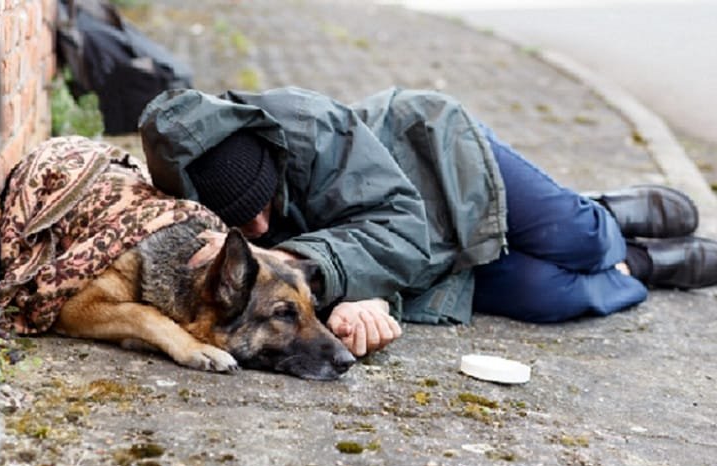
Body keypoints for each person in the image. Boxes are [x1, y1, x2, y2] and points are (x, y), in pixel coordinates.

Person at [138, 86, 717, 357]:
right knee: (552, 296)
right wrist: (356, 303)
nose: (260, 229)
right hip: (409, 260)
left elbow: (399, 223)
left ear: (269, 156)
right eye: (244, 221)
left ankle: (606, 216)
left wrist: (301, 263)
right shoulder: (199, 203)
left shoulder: (308, 125)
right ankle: (641, 263)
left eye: (265, 204)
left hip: (441, 169)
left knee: (582, 241)